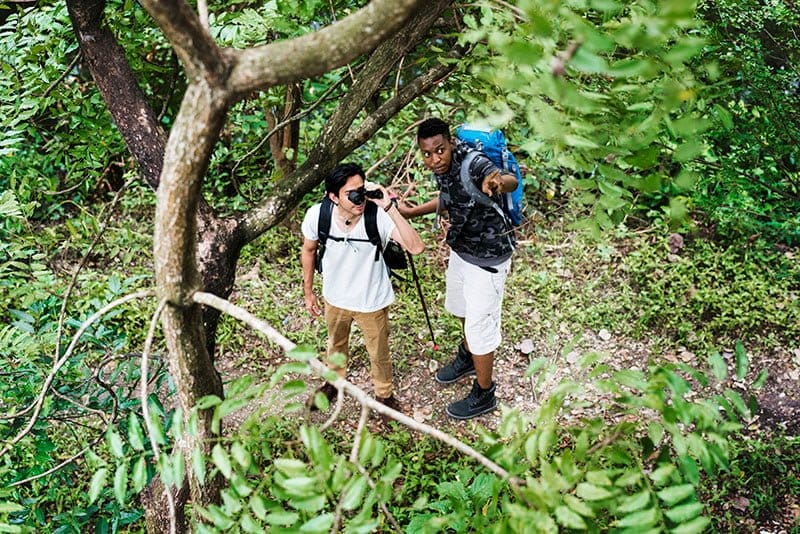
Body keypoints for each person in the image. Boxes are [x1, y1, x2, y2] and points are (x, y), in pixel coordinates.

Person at [398, 118, 517, 420]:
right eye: (427, 154)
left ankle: (485, 392)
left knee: (480, 328)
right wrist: (411, 212)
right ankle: (468, 357)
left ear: (450, 143)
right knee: (459, 307)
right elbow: (448, 198)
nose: (434, 159)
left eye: (440, 150)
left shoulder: (473, 162)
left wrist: (497, 182)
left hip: (488, 258)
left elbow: (503, 178)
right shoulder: (444, 169)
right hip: (463, 250)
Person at [300, 162, 425, 413]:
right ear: (333, 196)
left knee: (378, 352)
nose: (359, 199)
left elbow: (416, 247)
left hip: (372, 300)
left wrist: (388, 205)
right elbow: (309, 250)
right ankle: (333, 383)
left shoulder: (376, 215)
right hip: (335, 297)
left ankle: (384, 396)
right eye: (350, 194)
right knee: (335, 344)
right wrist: (308, 291)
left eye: (361, 190)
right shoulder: (318, 215)